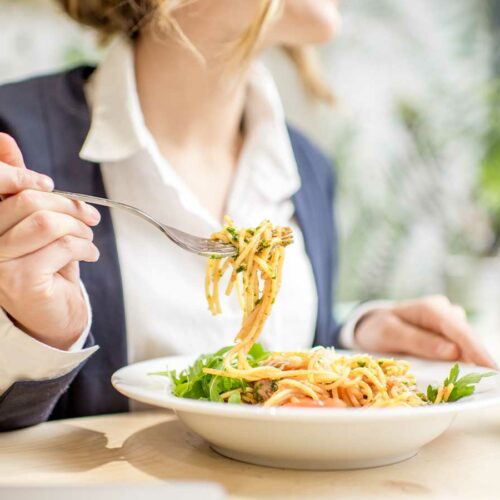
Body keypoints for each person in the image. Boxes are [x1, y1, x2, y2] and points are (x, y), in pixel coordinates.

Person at [0, 0, 494, 430]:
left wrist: (355, 337)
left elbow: (271, 374)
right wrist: (33, 337)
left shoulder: (307, 167)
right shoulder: (15, 139)